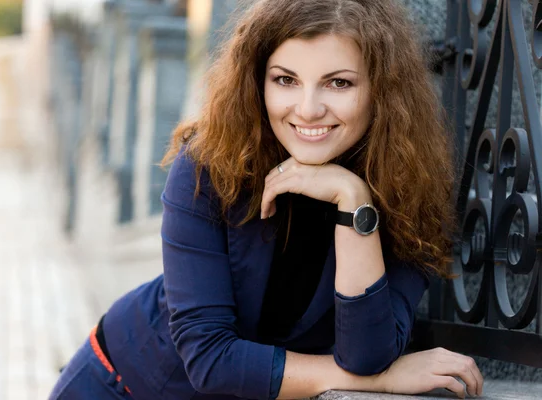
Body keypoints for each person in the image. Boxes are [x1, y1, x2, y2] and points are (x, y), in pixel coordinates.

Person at [49, 0, 485, 399]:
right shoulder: (209, 166)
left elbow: (367, 352)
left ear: (381, 91)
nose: (308, 109)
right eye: (285, 80)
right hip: (122, 385)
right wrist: (380, 381)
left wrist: (354, 202)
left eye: (338, 82)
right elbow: (210, 359)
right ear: (258, 83)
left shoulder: (412, 187)